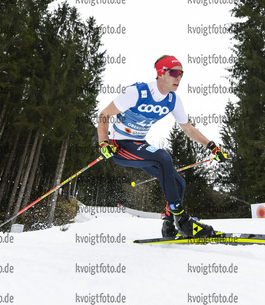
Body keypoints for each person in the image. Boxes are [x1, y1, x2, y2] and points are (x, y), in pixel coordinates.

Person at [96, 55, 228, 238]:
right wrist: (103, 143)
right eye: (174, 73)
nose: (178, 78)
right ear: (161, 73)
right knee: (163, 157)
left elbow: (188, 128)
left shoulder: (173, 100)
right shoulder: (138, 92)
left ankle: (168, 225)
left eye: (181, 74)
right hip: (120, 146)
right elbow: (104, 114)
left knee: (179, 183)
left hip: (139, 145)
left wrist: (212, 146)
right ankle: (183, 220)